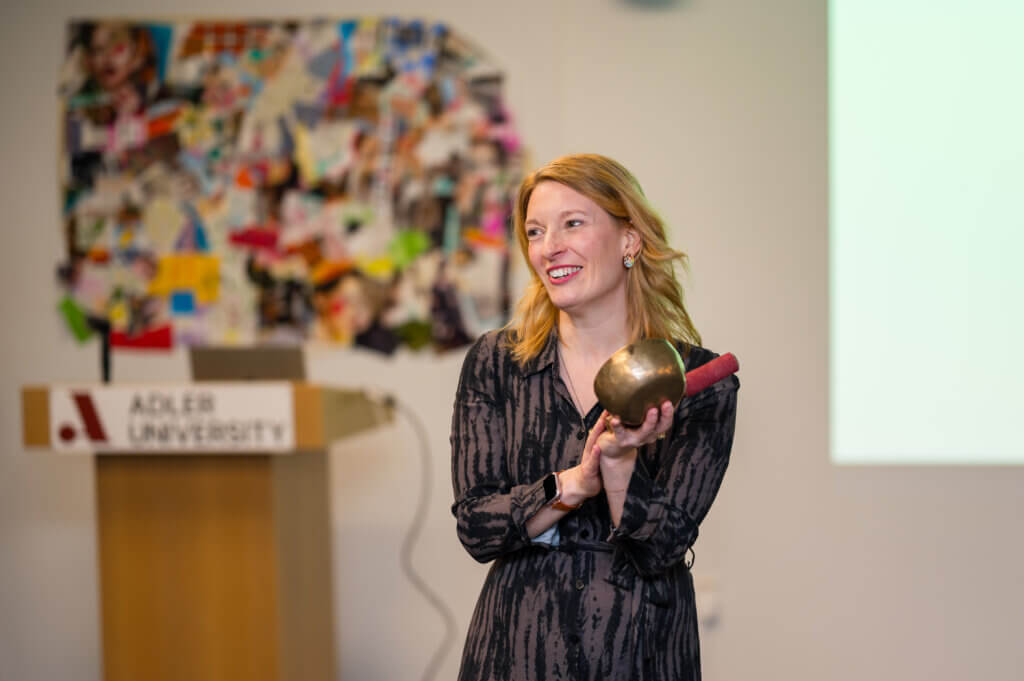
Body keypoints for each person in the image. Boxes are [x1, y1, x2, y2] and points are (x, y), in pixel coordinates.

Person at [450, 153, 739, 680]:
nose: (549, 247)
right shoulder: (496, 363)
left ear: (630, 241)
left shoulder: (699, 380)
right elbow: (477, 528)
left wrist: (622, 464)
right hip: (517, 650)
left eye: (573, 224)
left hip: (642, 650)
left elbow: (664, 546)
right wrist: (576, 482)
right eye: (535, 232)